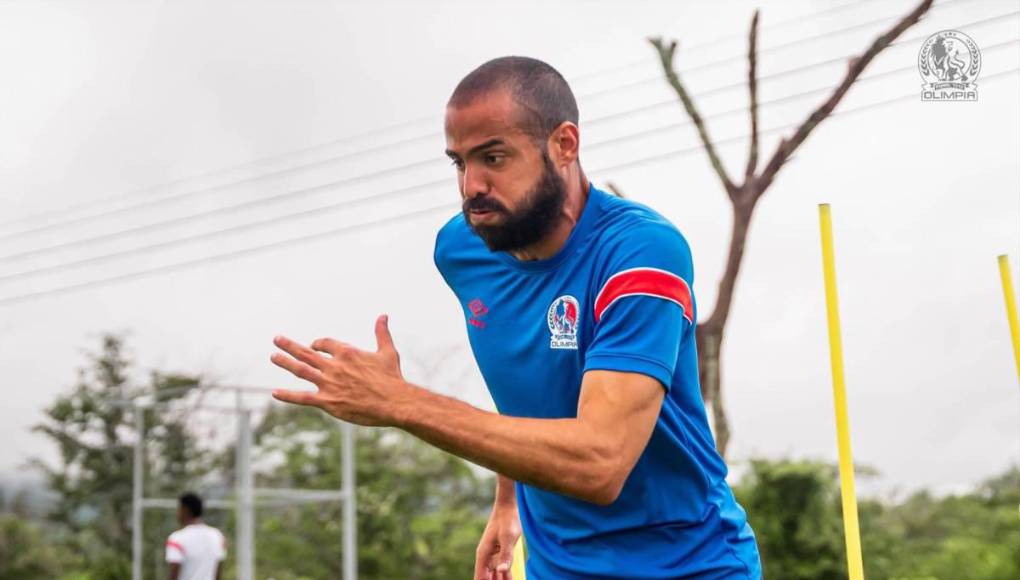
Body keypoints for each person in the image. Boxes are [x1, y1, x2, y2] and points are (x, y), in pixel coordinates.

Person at [270, 56, 762, 579]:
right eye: (459, 163)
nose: (471, 186)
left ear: (564, 145)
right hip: (558, 567)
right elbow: (525, 384)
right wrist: (507, 501)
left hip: (689, 564)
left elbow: (601, 461)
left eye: (494, 158)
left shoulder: (641, 254)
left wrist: (402, 403)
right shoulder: (462, 250)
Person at [165, 492, 226, 580]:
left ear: (185, 510)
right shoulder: (217, 535)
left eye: (179, 509)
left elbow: (174, 572)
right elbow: (218, 572)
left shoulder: (177, 538)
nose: (177, 514)